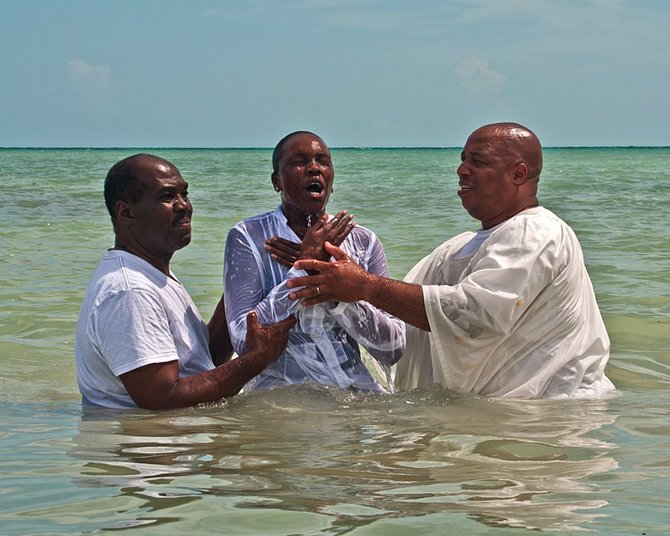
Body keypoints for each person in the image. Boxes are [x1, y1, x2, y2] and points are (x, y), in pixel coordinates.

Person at [285, 123, 615, 399]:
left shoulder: (537, 232)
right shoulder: (462, 245)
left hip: (550, 417)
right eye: (462, 159)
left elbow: (473, 313)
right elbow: (397, 321)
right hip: (505, 419)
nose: (461, 170)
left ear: (519, 174)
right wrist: (320, 273)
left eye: (478, 161)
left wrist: (363, 286)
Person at [75, 154, 296, 410]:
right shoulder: (130, 290)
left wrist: (246, 283)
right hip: (148, 447)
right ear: (126, 213)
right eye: (167, 197)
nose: (184, 206)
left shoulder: (153, 274)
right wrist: (257, 359)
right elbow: (161, 397)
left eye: (185, 194)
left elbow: (202, 359)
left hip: (177, 442)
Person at [223, 131, 405, 392]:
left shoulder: (364, 242)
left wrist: (339, 290)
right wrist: (304, 269)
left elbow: (394, 348)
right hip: (284, 398)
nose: (313, 169)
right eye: (299, 161)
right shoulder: (249, 237)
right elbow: (243, 340)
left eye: (322, 161)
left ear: (332, 179)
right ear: (277, 181)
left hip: (358, 395)